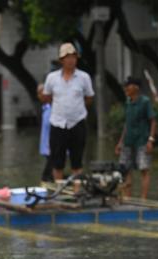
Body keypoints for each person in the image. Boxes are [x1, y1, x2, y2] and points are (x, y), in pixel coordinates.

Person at [41, 43, 95, 181]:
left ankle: (78, 194)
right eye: (67, 57)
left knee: (77, 161)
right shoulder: (52, 78)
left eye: (73, 57)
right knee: (57, 162)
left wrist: (77, 108)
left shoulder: (84, 77)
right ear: (61, 60)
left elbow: (89, 98)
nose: (71, 60)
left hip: (77, 123)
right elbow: (46, 97)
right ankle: (59, 192)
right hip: (58, 123)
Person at [116, 76, 157, 200]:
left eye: (128, 86)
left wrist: (150, 140)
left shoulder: (145, 102)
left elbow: (153, 121)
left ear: (136, 87)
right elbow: (126, 124)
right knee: (125, 169)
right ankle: (128, 197)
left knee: (144, 169)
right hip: (128, 141)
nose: (125, 89)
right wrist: (120, 142)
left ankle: (143, 197)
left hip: (142, 141)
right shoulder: (127, 102)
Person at [37, 84, 53, 183]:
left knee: (46, 176)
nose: (39, 96)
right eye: (37, 93)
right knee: (49, 174)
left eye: (40, 93)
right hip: (46, 148)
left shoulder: (53, 109)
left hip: (52, 148)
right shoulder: (45, 109)